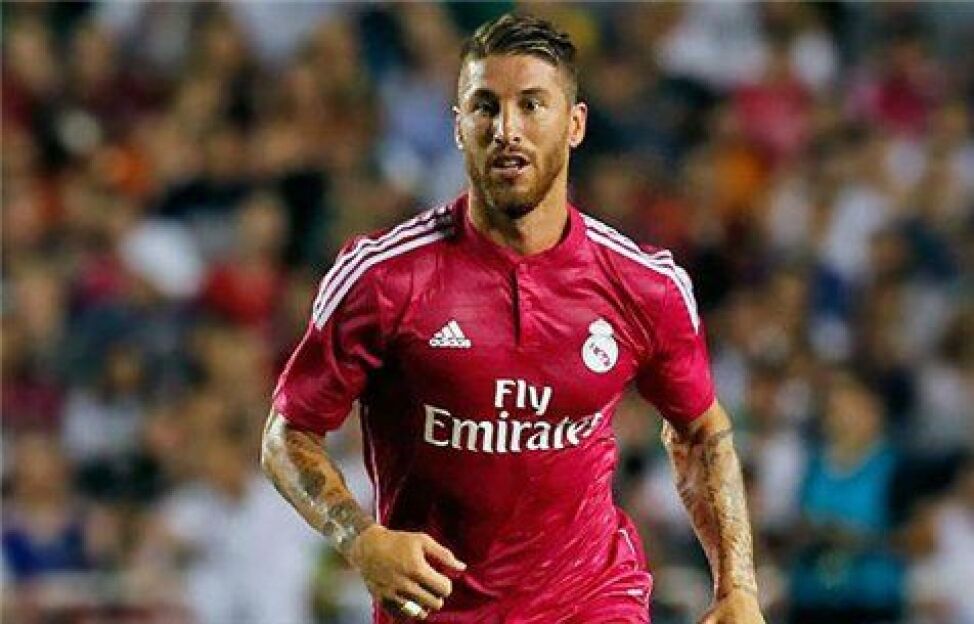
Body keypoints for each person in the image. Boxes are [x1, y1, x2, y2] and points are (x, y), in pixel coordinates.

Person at [262, 13, 765, 623]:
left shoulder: (644, 284)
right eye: (485, 107)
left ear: (575, 124)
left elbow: (701, 431)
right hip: (435, 610)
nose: (507, 130)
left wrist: (738, 587)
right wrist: (361, 540)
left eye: (531, 105)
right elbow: (288, 435)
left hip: (593, 602)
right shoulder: (383, 278)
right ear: (458, 127)